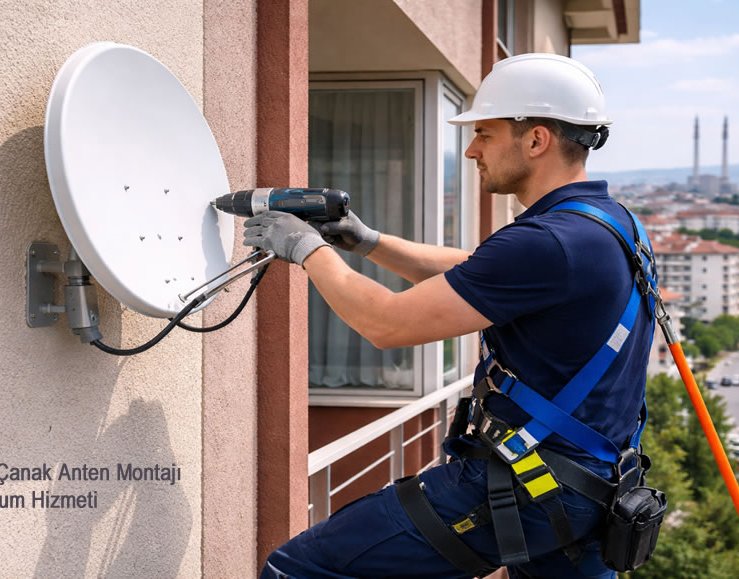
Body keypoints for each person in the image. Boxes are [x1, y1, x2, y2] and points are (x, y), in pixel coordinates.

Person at [245, 53, 661, 579]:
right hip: (593, 490)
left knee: (300, 568)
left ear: (536, 140)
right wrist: (368, 242)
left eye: (484, 134)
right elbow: (476, 272)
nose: (471, 150)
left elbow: (387, 325)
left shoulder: (548, 241)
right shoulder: (611, 226)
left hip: (528, 485)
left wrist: (306, 249)